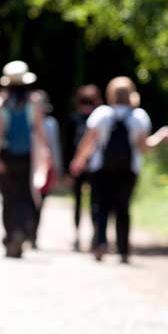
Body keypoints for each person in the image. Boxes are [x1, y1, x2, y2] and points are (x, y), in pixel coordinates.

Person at [70, 76, 168, 263]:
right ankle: (123, 250)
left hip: (100, 168)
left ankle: (100, 242)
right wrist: (161, 136)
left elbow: (88, 142)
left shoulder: (101, 113)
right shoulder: (139, 116)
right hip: (129, 169)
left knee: (101, 206)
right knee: (123, 208)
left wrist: (78, 161)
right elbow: (144, 147)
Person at [0, 61, 49, 258]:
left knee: (8, 198)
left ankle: (11, 234)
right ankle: (22, 231)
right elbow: (39, 132)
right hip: (28, 156)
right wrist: (45, 156)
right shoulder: (35, 102)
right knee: (26, 195)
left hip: (7, 156)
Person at [64, 85, 103, 251]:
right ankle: (96, 233)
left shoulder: (74, 118)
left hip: (76, 166)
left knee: (78, 202)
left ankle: (77, 235)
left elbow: (68, 146)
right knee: (96, 202)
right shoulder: (99, 118)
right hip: (95, 165)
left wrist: (68, 169)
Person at [31, 90, 62, 249]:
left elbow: (54, 147)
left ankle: (32, 234)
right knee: (36, 203)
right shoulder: (49, 124)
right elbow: (54, 147)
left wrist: (56, 169)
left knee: (37, 202)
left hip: (42, 166)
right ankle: (31, 234)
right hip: (38, 166)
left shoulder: (48, 124)